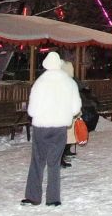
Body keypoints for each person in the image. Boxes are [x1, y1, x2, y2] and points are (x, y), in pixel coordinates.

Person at [22, 51, 82, 207]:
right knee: (54, 163)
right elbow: (76, 108)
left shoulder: (40, 82)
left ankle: (33, 197)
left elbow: (32, 111)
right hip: (60, 127)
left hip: (41, 127)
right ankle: (53, 198)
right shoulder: (69, 82)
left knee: (37, 161)